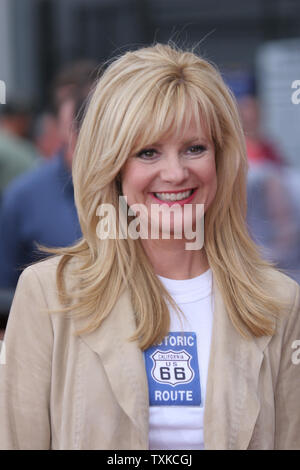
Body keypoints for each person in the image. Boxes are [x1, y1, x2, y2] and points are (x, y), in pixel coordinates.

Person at [0, 43, 299, 450]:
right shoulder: (48, 296)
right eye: (148, 152)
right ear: (114, 168)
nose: (175, 173)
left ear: (222, 159)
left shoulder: (280, 303)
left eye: (195, 148)